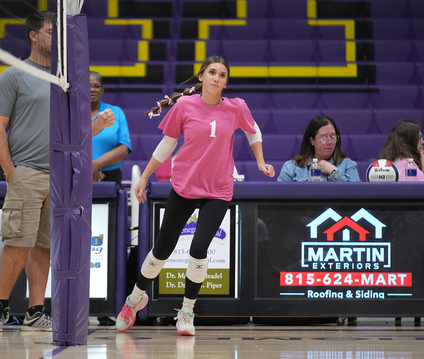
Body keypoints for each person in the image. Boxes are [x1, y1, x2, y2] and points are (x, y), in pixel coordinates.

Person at [116, 55, 275, 336]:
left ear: (226, 82)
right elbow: (168, 143)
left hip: (218, 189)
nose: (216, 78)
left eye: (222, 75)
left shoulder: (237, 108)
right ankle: (136, 297)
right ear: (201, 76)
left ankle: (187, 311)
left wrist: (260, 161)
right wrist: (144, 177)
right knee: (162, 249)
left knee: (199, 248)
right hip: (185, 186)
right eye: (212, 72)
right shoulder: (184, 105)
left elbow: (254, 131)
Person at [0, 11, 114, 333]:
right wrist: (11, 172)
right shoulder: (14, 76)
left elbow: (74, 134)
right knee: (17, 242)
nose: (56, 40)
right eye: (51, 32)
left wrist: (94, 127)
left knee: (43, 247)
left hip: (59, 178)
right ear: (33, 35)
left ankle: (35, 310)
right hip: (26, 172)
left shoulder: (65, 81)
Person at [277, 115, 360, 182]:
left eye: (333, 137)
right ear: (312, 140)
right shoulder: (292, 167)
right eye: (324, 138)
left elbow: (357, 194)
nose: (329, 142)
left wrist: (333, 171)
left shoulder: (348, 165)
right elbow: (280, 196)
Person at [90, 71, 132, 187]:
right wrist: (88, 168)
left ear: (102, 90)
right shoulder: (71, 112)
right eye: (88, 86)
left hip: (110, 176)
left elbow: (124, 148)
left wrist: (96, 164)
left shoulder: (115, 112)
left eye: (97, 86)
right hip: (76, 174)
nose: (92, 89)